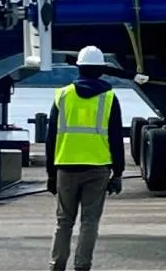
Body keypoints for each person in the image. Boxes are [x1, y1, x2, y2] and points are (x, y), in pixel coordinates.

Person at [45, 45, 125, 271]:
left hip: (66, 167)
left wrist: (51, 174)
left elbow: (50, 137)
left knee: (63, 222)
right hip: (98, 167)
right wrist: (118, 173)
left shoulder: (62, 96)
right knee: (89, 222)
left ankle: (56, 265)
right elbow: (116, 138)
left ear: (79, 68)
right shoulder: (109, 98)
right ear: (101, 70)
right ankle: (82, 266)